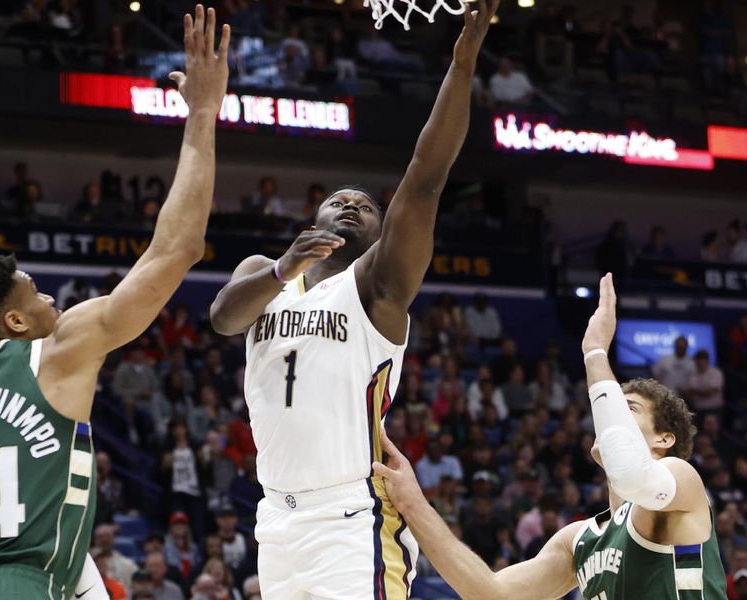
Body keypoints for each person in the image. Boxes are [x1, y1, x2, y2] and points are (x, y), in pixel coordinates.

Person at [208, 3, 500, 597]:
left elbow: (425, 177)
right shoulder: (264, 275)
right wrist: (282, 268)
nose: (351, 206)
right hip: (276, 518)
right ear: (312, 215)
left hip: (352, 516)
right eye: (339, 200)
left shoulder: (376, 286)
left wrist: (462, 66)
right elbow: (222, 318)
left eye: (365, 205)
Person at [0, 6, 230, 599]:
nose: (51, 295)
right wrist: (203, 113)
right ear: (15, 320)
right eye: (35, 291)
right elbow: (176, 248)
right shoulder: (55, 350)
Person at [373, 274, 728, 599]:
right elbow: (490, 594)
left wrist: (594, 352)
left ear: (664, 440)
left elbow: (631, 473)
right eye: (612, 408)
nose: (610, 417)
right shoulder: (579, 540)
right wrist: (413, 504)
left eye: (628, 409)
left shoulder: (683, 479)